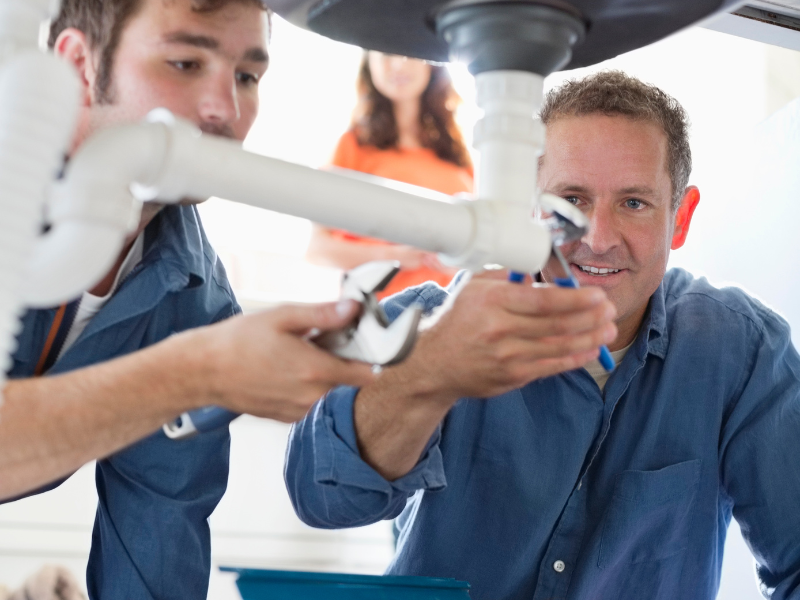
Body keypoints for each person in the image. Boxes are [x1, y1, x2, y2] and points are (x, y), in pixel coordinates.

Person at [285, 71, 800, 599]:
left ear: (680, 218)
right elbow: (321, 497)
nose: (598, 240)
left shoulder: (742, 352)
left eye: (634, 203)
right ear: (529, 209)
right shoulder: (433, 321)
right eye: (570, 201)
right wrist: (431, 369)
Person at [0, 0, 375, 598]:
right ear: (76, 65)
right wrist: (193, 373)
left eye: (247, 77)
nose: (224, 110)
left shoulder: (196, 304)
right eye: (183, 62)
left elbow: (156, 553)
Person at [306, 51, 473, 298]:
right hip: (381, 316)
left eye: (409, 53)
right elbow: (318, 250)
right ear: (369, 64)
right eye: (385, 54)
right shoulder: (354, 146)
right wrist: (395, 256)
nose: (397, 64)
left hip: (450, 311)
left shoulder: (458, 154)